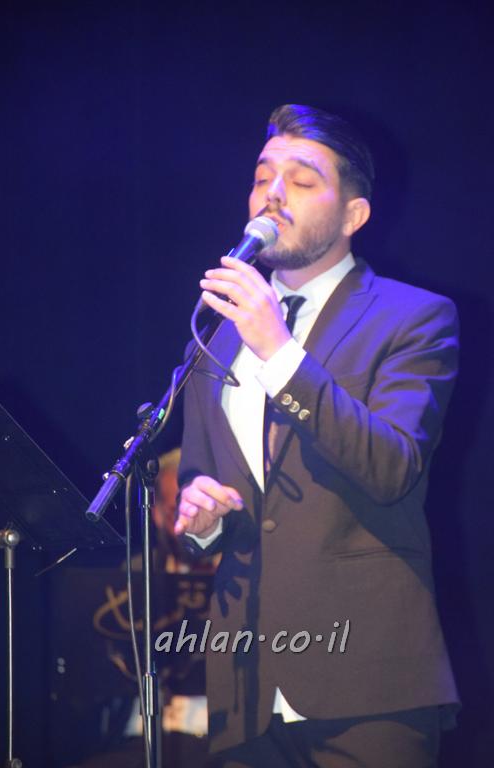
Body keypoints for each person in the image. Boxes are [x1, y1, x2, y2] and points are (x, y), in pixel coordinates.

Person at [174, 104, 460, 767]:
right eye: (262, 177)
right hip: (245, 682)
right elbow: (200, 480)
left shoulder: (412, 317)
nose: (273, 193)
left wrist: (278, 350)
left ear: (354, 215)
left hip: (370, 680)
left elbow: (391, 467)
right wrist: (203, 518)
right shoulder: (215, 337)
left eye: (302, 180)